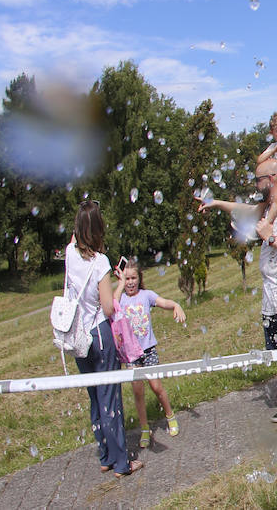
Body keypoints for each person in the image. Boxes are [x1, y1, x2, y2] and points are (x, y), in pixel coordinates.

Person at [196, 158, 277, 427]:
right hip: (272, 297)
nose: (255, 185)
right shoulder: (269, 208)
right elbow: (243, 209)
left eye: (258, 180)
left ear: (272, 178)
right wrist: (216, 204)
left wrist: (271, 238)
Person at [66, 200, 143, 477]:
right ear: (99, 229)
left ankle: (105, 455)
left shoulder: (69, 254)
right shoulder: (100, 263)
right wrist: (119, 283)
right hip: (99, 334)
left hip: (78, 337)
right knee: (110, 398)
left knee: (95, 398)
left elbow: (76, 238)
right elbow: (109, 307)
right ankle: (123, 463)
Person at [113, 259, 186, 448]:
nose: (130, 282)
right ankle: (145, 429)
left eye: (133, 278)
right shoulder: (120, 299)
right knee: (138, 392)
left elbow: (163, 302)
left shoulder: (146, 295)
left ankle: (170, 416)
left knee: (156, 387)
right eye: (126, 278)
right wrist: (119, 285)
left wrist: (176, 305)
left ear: (139, 278)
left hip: (148, 351)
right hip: (131, 355)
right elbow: (111, 305)